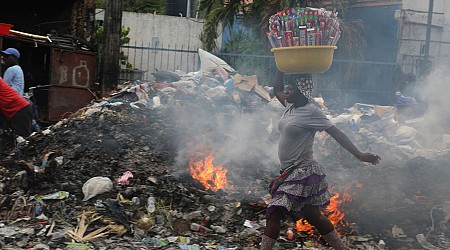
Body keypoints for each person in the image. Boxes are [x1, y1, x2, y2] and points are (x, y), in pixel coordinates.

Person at [260, 70, 381, 250]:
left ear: (302, 92)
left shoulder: (312, 112)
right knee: (313, 216)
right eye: (287, 87)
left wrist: (359, 155)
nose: (286, 91)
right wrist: (280, 68)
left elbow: (336, 133)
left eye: (291, 88)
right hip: (289, 171)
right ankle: (342, 248)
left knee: (274, 212)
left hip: (303, 171)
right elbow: (276, 88)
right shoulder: (289, 106)